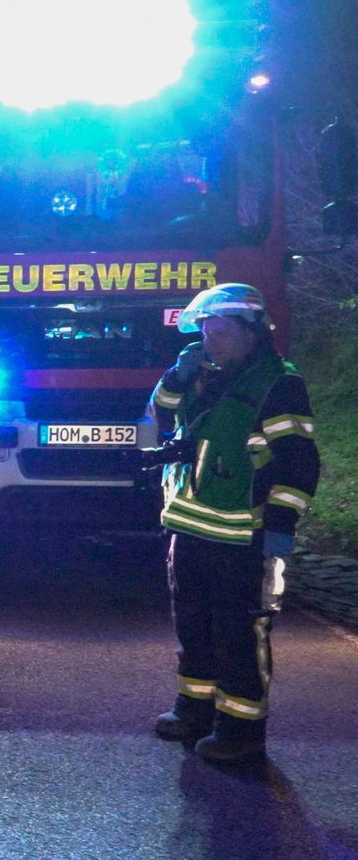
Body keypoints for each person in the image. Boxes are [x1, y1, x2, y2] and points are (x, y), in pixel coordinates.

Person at [145, 283, 318, 763]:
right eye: (204, 330)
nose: (210, 341)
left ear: (251, 333)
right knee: (194, 627)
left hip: (244, 536)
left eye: (219, 331)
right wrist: (177, 377)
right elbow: (158, 416)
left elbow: (299, 464)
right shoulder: (203, 376)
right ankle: (194, 710)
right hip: (189, 528)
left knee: (239, 634)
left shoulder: (279, 384)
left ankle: (241, 733)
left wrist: (279, 529)